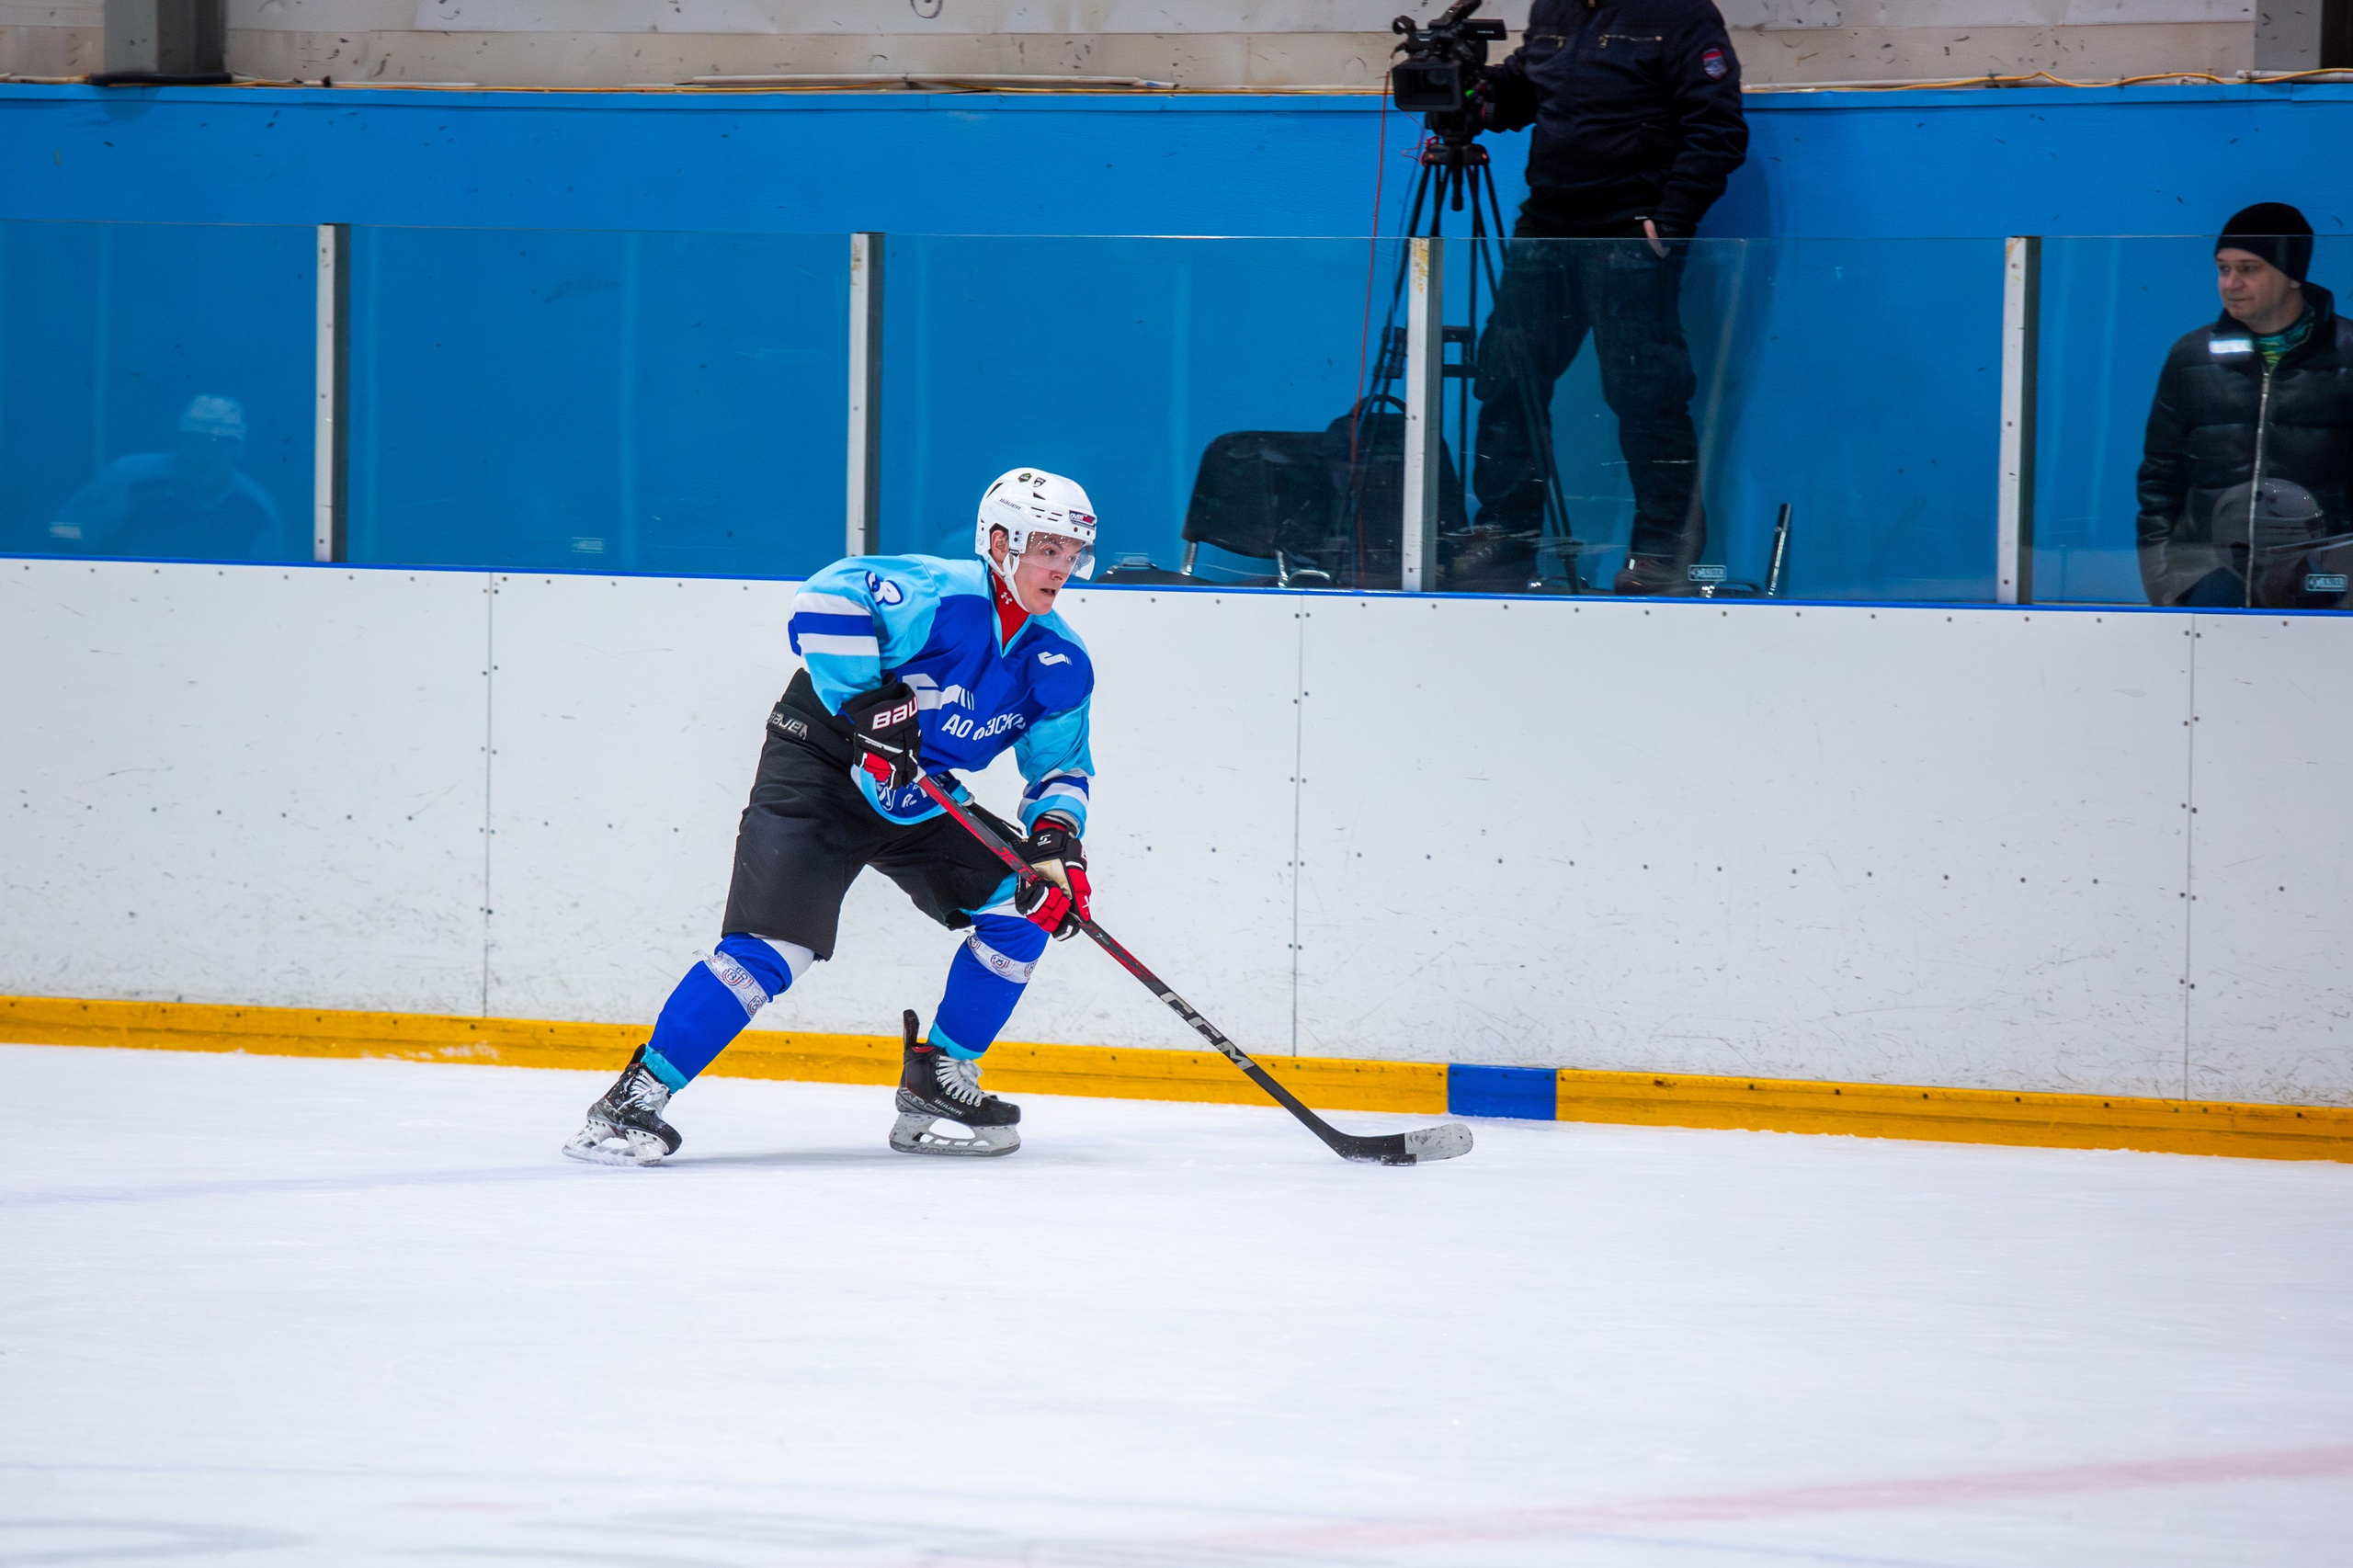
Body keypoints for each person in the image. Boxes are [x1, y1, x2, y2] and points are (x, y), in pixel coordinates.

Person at [564, 469, 1101, 1165]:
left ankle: (939, 1079)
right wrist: (865, 700)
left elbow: (1061, 768)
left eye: (1071, 553)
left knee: (1030, 908)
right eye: (1047, 549)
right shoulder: (942, 591)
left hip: (916, 789)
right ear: (1001, 541)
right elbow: (826, 595)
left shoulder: (1059, 658)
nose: (1061, 568)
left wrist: (1056, 842)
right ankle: (633, 1099)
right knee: (774, 950)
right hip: (820, 762)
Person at [1469, 0, 1748, 595]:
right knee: (1505, 376)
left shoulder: (1681, 13)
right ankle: (1504, 539)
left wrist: (1669, 222)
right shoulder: (1556, 9)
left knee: (1644, 389)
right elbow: (1527, 86)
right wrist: (1478, 90)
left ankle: (1662, 552)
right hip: (1546, 228)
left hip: (1631, 232)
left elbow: (1718, 127)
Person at [2137, 201, 2353, 609]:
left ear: (2292, 276)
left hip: (2328, 584)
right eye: (2223, 268)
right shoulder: (2191, 357)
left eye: (2248, 269)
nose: (2230, 283)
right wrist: (2167, 584)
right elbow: (2159, 479)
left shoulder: (2348, 355)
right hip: (2210, 584)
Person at [49, 394, 282, 559]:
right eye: (195, 442)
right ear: (180, 442)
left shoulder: (256, 505)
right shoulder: (128, 478)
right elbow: (63, 530)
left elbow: (272, 570)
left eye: (219, 445)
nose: (205, 454)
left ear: (237, 449)